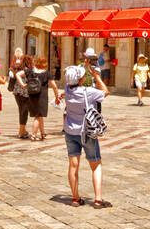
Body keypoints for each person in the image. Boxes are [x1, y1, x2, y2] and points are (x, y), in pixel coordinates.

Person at [60, 65, 109, 207]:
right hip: (87, 132)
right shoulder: (88, 92)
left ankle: (75, 198)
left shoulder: (68, 91)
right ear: (81, 79)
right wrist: (97, 77)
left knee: (73, 165)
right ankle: (98, 199)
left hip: (70, 131)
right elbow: (105, 92)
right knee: (95, 164)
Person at [17, 53, 59, 141]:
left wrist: (22, 84)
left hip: (31, 95)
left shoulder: (30, 70)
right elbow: (54, 86)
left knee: (40, 115)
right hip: (42, 97)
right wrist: (57, 96)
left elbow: (18, 74)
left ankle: (43, 133)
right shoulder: (47, 73)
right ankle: (34, 135)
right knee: (37, 116)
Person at [10, 47, 31, 139]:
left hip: (16, 92)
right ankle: (21, 132)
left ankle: (23, 130)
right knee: (24, 112)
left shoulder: (16, 68)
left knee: (21, 111)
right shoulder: (27, 71)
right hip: (25, 93)